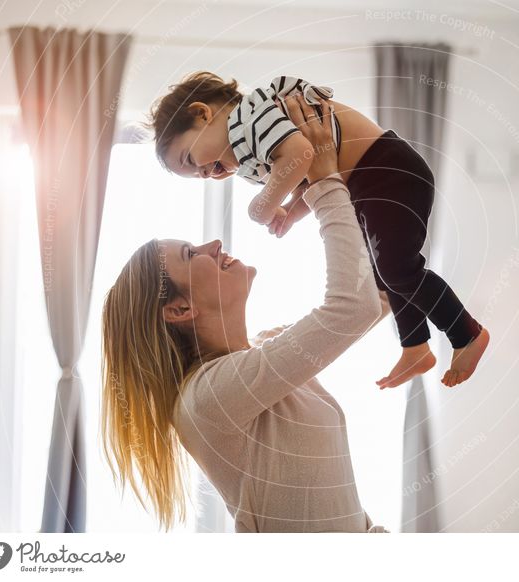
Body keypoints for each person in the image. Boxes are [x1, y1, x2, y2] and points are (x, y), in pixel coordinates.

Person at [101, 96, 389, 532]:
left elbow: (380, 296)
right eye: (190, 253)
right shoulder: (207, 397)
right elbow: (354, 308)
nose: (213, 244)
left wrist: (345, 180)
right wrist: (324, 178)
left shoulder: (267, 353)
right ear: (179, 308)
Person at [147, 72, 490, 388]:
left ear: (202, 114)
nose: (207, 173)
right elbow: (308, 174)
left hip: (387, 168)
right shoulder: (248, 157)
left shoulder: (249, 115)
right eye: (199, 176)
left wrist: (262, 207)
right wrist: (292, 213)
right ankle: (415, 345)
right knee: (385, 274)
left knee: (397, 268)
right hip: (364, 185)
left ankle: (465, 333)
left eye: (193, 160)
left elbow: (301, 152)